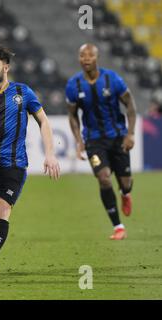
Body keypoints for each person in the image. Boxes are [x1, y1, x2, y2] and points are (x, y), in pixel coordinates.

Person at [0, 45, 60, 276]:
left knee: (2, 210)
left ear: (6, 67)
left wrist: (50, 154)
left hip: (14, 164)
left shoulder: (23, 92)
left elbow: (44, 122)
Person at [66, 43, 137, 240]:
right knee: (104, 177)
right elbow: (72, 116)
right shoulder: (73, 85)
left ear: (97, 58)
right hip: (94, 141)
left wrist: (130, 134)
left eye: (90, 55)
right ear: (79, 59)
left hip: (118, 138)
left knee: (126, 182)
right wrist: (79, 141)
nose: (86, 58)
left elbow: (130, 105)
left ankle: (125, 193)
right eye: (82, 55)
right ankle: (118, 226)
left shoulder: (112, 79)